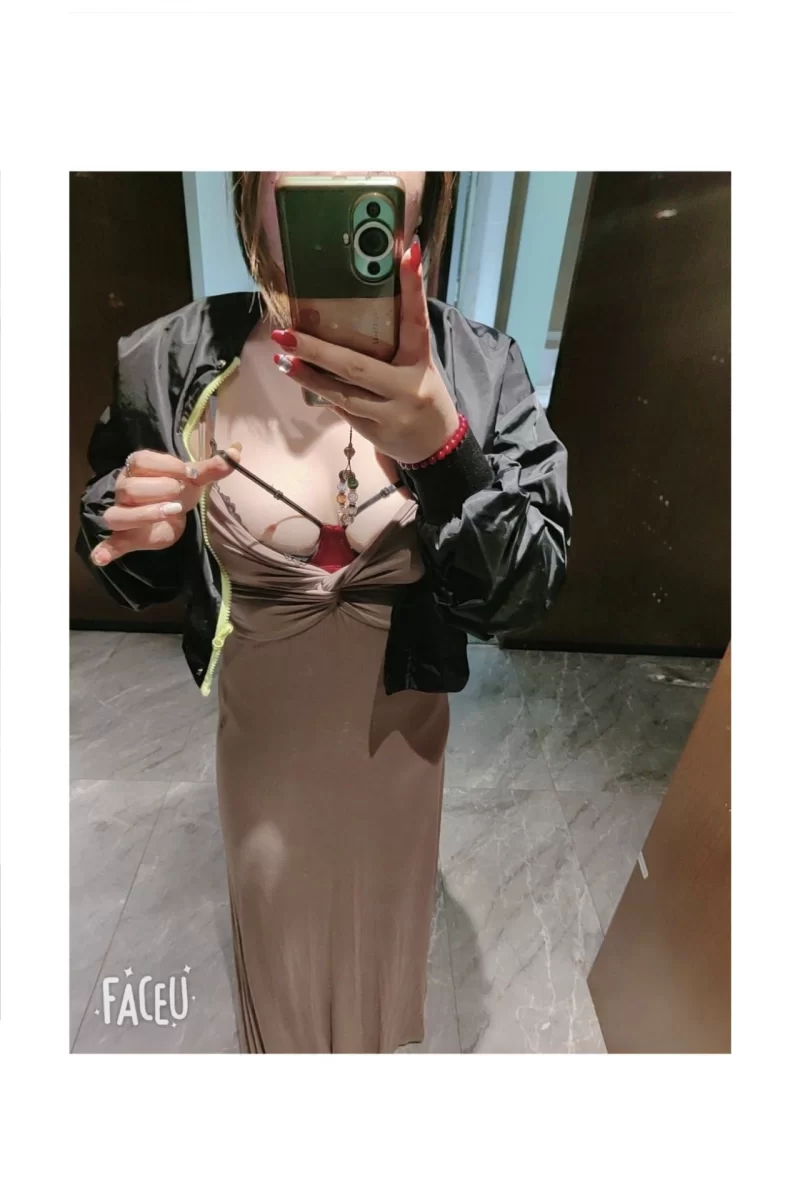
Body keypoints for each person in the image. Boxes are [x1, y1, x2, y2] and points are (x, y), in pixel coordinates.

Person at [75, 170, 571, 1054]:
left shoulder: (480, 367)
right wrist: (131, 525)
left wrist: (444, 450)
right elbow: (126, 541)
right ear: (251, 181)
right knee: (283, 976)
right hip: (265, 762)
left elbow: (527, 588)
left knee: (379, 966)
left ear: (431, 185)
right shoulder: (172, 358)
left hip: (402, 756)